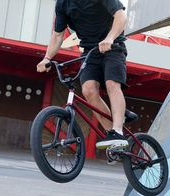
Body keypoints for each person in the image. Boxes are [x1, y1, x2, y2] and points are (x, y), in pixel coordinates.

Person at [37, 0, 129, 149]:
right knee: (88, 90)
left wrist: (110, 38)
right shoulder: (62, 4)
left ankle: (118, 131)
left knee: (112, 84)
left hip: (113, 46)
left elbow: (121, 16)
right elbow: (57, 35)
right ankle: (112, 135)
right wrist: (47, 58)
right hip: (89, 52)